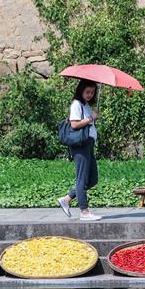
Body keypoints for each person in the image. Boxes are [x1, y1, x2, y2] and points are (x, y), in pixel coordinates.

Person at [58, 80, 101, 221]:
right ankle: (84, 212)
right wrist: (91, 118)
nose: (90, 95)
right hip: (80, 144)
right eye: (87, 92)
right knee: (81, 179)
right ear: (81, 90)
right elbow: (75, 124)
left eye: (92, 92)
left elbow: (87, 123)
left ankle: (67, 199)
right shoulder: (76, 104)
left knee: (93, 179)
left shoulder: (86, 105)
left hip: (89, 144)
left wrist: (93, 116)